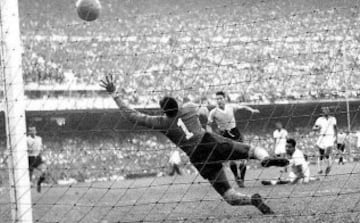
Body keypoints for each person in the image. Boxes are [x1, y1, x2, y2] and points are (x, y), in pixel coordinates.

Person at [100, 74, 289, 214]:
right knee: (252, 151)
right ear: (177, 103)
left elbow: (133, 116)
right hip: (209, 141)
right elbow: (205, 111)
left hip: (198, 158)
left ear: (164, 111)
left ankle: (252, 200)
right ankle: (265, 159)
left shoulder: (161, 122)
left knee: (229, 195)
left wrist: (115, 94)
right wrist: (205, 120)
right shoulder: (189, 107)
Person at [208, 91, 259, 188]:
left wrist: (251, 110)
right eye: (217, 99)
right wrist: (210, 134)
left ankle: (242, 179)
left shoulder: (231, 107)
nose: (219, 101)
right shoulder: (213, 112)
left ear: (225, 98)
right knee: (232, 159)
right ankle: (236, 176)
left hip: (235, 133)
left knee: (244, 157)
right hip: (225, 135)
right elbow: (208, 124)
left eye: (220, 98)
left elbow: (242, 106)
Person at [312, 107, 337, 175]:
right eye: (324, 110)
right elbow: (314, 127)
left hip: (330, 137)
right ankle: (320, 169)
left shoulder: (333, 119)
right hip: (322, 137)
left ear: (329, 111)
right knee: (321, 154)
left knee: (327, 154)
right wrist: (317, 128)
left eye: (326, 110)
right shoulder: (319, 119)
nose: (325, 111)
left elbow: (335, 128)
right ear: (322, 112)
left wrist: (336, 138)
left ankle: (329, 166)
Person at [27, 125, 47, 193]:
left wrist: (41, 152)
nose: (33, 131)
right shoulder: (27, 139)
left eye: (34, 130)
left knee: (44, 171)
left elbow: (40, 147)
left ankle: (39, 183)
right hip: (30, 157)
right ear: (29, 132)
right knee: (29, 173)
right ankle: (29, 184)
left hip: (37, 157)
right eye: (31, 130)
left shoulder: (39, 138)